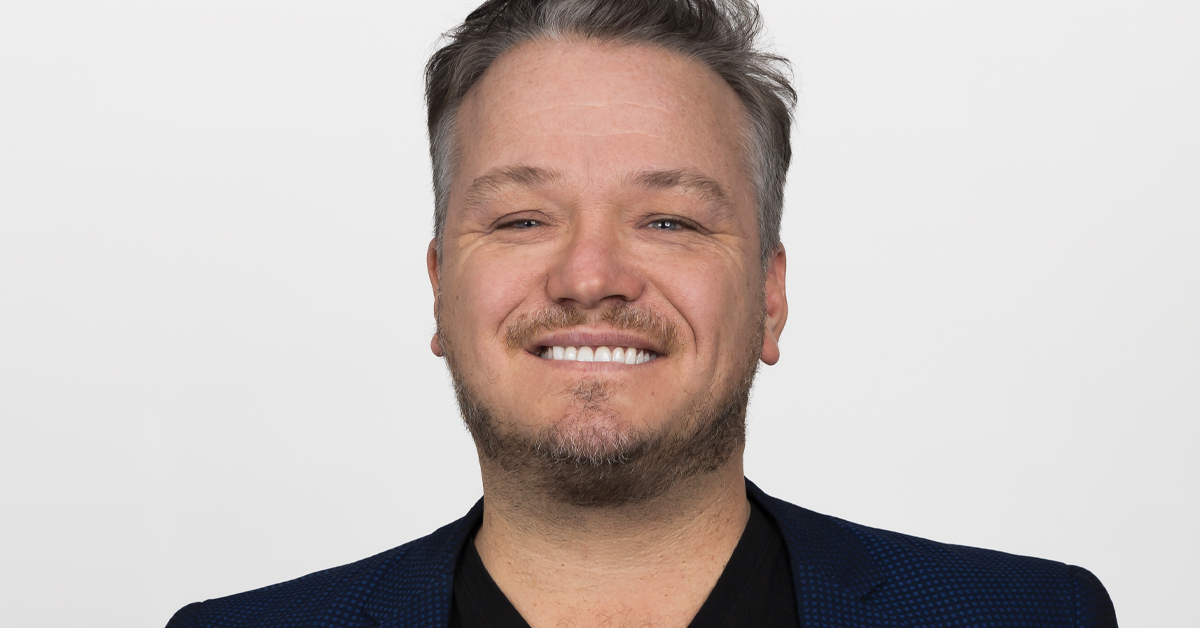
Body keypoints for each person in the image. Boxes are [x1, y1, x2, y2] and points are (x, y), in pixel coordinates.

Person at [167, 1, 1118, 626]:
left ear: (770, 297)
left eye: (669, 221)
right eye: (522, 219)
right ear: (439, 290)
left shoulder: (1034, 618)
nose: (590, 276)